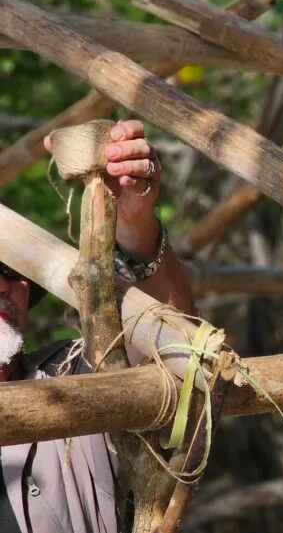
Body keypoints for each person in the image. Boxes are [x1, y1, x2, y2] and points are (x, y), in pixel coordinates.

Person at [1, 120, 195, 533]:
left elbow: (179, 352)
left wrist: (135, 221)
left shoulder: (74, 378)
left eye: (11, 271)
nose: (4, 285)